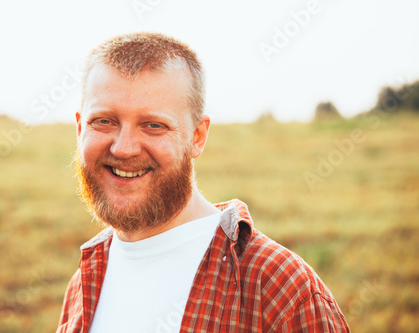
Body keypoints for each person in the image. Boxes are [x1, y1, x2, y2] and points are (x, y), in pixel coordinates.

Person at [57, 32, 350, 333]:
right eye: (104, 121)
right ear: (80, 129)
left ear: (197, 137)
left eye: (154, 125)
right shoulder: (86, 280)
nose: (123, 148)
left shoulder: (280, 291)